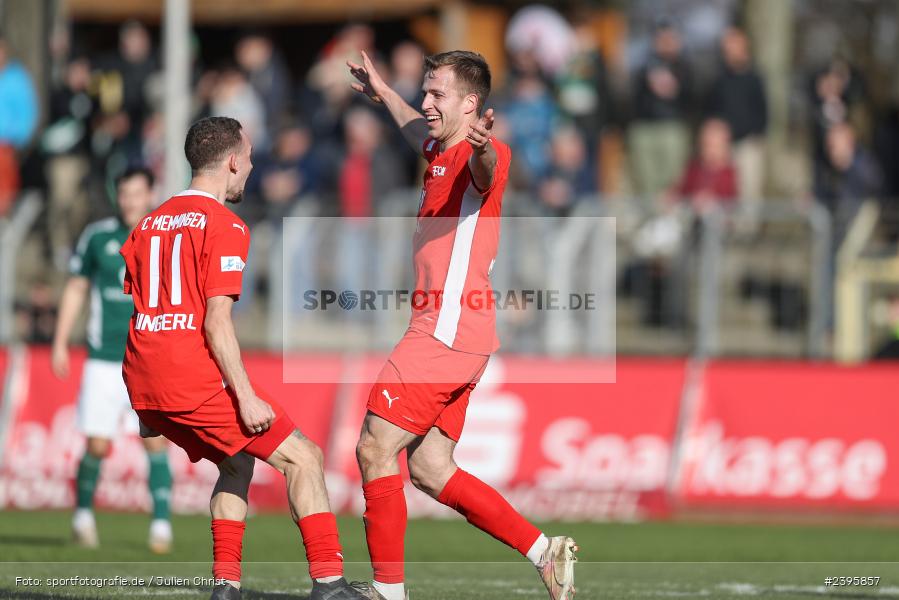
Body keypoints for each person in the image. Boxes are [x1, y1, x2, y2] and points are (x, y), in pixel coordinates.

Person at [347, 50, 578, 600]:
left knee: (375, 449)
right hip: (459, 332)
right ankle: (545, 551)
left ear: (471, 105)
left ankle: (387, 593)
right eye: (425, 93)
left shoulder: (485, 151)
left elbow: (486, 172)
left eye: (437, 95)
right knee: (428, 467)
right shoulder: (436, 148)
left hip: (445, 330)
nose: (426, 104)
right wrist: (383, 90)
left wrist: (479, 149)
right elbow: (412, 129)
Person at [118, 117, 366, 600]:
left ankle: (225, 587)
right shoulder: (225, 225)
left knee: (235, 464)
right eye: (249, 158)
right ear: (232, 161)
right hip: (189, 375)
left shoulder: (148, 223)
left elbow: (144, 305)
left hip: (144, 375)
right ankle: (331, 585)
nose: (251, 167)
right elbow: (215, 321)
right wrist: (246, 396)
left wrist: (146, 405)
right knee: (305, 458)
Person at [51, 166, 174, 553]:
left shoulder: (167, 235)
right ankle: (83, 516)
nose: (130, 202)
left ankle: (161, 526)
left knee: (155, 442)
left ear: (151, 193)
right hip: (105, 359)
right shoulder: (98, 236)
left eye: (137, 193)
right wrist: (59, 341)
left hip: (150, 358)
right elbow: (76, 287)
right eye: (124, 194)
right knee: (98, 445)